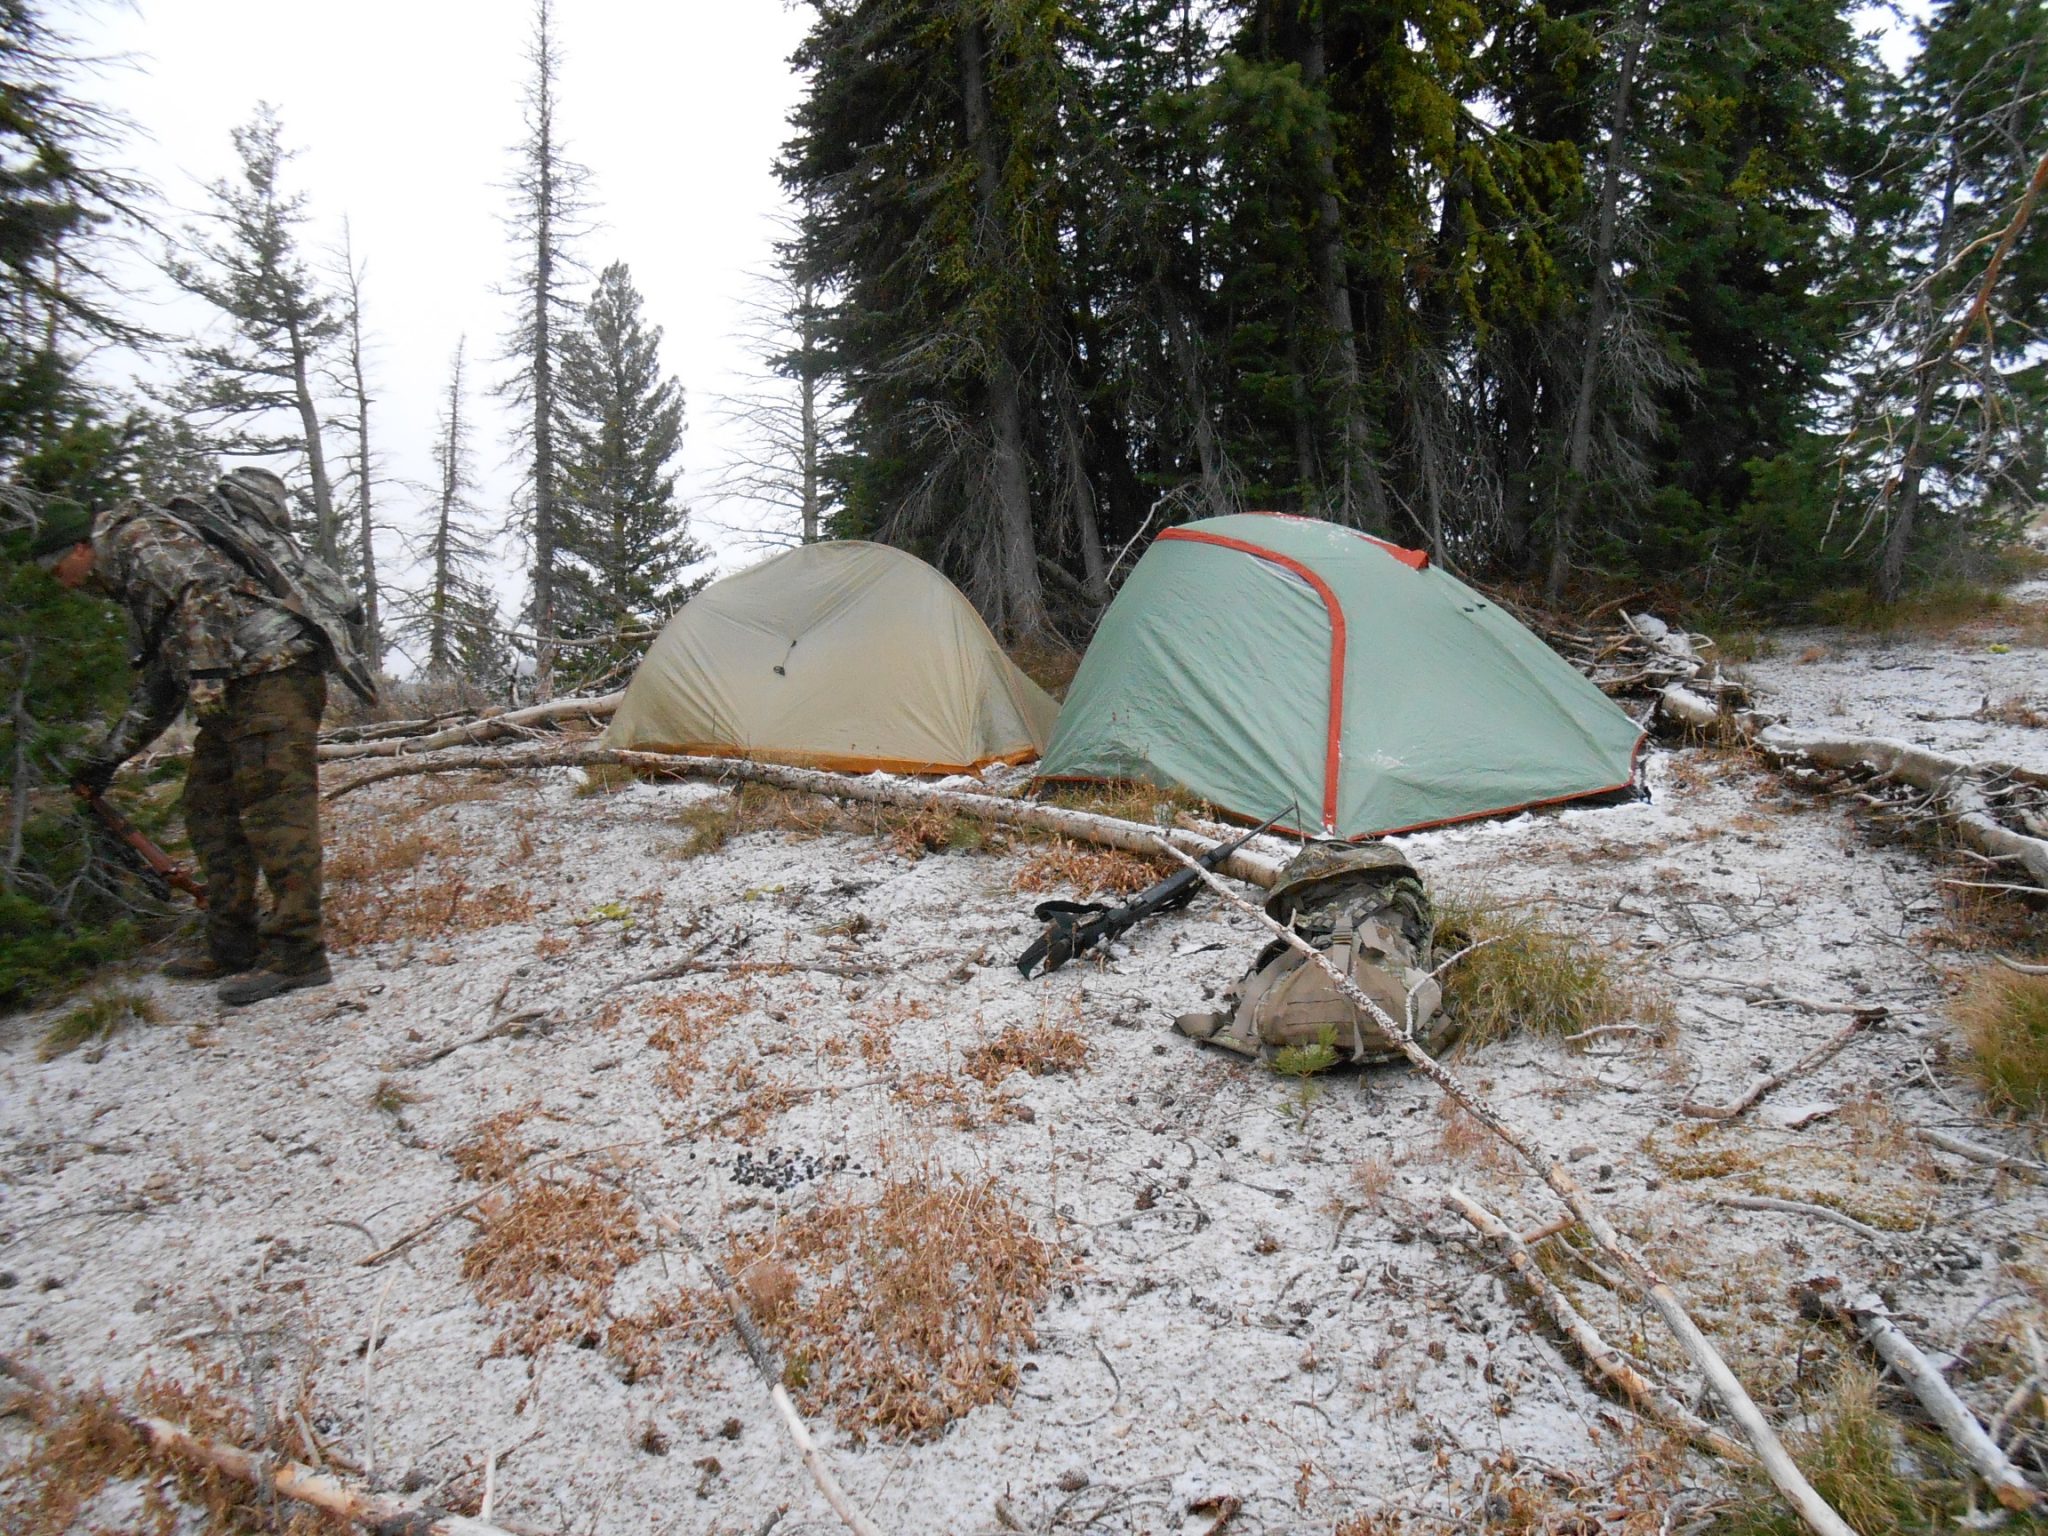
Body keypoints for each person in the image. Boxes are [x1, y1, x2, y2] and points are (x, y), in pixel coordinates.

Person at [34, 469, 339, 1005]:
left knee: (275, 813)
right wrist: (108, 757)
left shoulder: (136, 539)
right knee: (209, 810)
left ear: (80, 546)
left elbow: (206, 587)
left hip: (273, 674)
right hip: (235, 684)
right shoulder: (130, 573)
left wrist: (206, 677)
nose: (62, 580)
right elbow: (161, 678)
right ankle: (233, 946)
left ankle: (298, 955)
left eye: (57, 567)